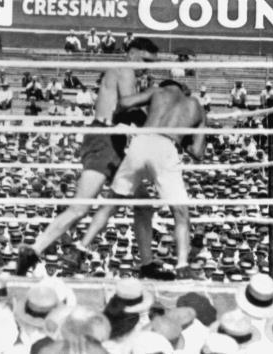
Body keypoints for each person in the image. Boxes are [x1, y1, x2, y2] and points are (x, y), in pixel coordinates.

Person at [17, 38, 160, 277]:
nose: (148, 67)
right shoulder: (125, 70)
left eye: (152, 64)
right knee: (80, 207)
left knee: (143, 204)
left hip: (114, 141)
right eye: (145, 61)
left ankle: (147, 264)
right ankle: (33, 250)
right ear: (132, 53)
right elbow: (128, 107)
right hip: (105, 140)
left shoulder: (125, 72)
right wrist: (159, 107)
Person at [80, 80, 207, 278]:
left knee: (112, 203)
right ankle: (182, 265)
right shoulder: (196, 106)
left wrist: (143, 117)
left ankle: (80, 248)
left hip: (140, 142)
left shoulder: (158, 92)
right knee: (180, 212)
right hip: (166, 147)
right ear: (184, 89)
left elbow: (124, 103)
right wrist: (185, 135)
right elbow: (198, 152)